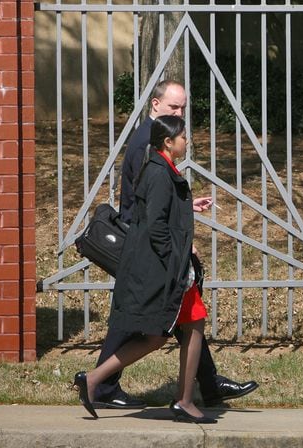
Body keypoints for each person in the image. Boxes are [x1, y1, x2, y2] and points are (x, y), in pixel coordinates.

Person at [92, 80, 258, 410]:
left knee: (181, 318)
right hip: (145, 244)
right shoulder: (148, 145)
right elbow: (149, 206)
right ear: (155, 105)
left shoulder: (155, 140)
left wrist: (184, 204)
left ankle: (203, 386)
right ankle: (101, 381)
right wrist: (177, 248)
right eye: (173, 107)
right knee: (144, 318)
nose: (179, 113)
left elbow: (158, 197)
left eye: (183, 107)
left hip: (151, 240)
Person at [74, 116, 215, 423]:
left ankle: (94, 379)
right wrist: (176, 261)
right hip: (163, 267)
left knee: (160, 335)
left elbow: (157, 209)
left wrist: (188, 206)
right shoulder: (159, 172)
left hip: (162, 266)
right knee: (190, 326)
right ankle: (184, 400)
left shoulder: (159, 168)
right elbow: (156, 225)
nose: (186, 141)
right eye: (183, 137)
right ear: (168, 142)